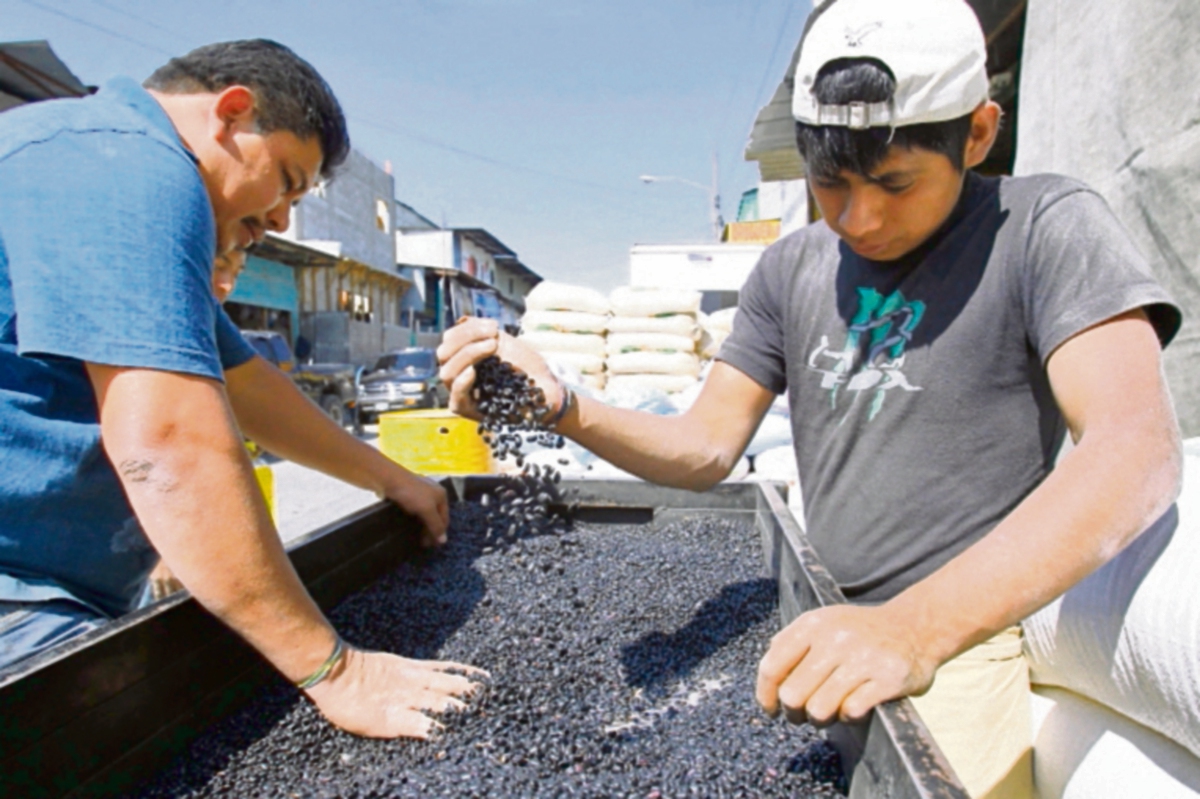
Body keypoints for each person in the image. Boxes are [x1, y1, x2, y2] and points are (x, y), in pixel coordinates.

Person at [436, 0, 1183, 794]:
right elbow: (705, 447)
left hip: (962, 634)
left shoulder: (1041, 227)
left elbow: (1134, 449)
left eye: (895, 182)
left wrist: (915, 628)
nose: (860, 218)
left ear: (978, 132)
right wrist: (562, 404)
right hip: (820, 610)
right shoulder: (790, 270)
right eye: (831, 184)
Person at [0, 39, 481, 739]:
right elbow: (170, 442)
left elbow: (246, 384)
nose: (284, 218)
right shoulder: (131, 167)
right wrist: (336, 670)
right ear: (230, 113)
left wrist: (390, 477)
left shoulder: (101, 162)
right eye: (288, 179)